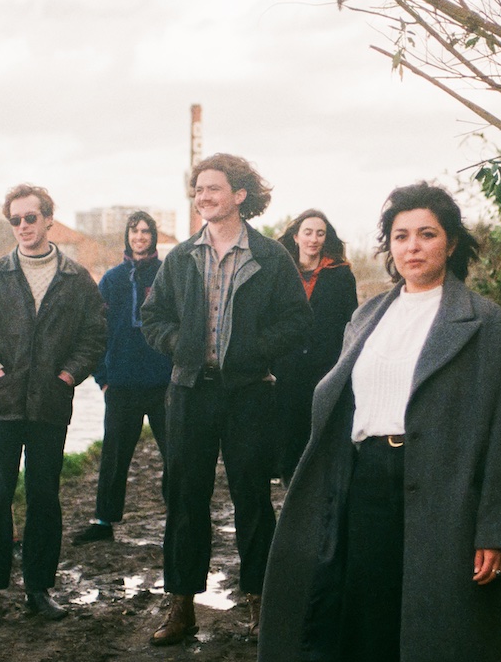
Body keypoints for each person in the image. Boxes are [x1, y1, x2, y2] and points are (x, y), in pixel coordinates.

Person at [258, 181, 501, 662]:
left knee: (434, 623)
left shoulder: (484, 323)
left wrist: (499, 529)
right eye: (401, 235)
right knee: (365, 617)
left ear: (450, 241)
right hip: (365, 484)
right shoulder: (366, 316)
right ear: (388, 246)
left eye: (426, 234)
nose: (413, 246)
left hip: (445, 494)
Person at [141, 153, 312, 645]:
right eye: (198, 189)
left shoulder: (270, 256)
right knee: (184, 500)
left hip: (249, 394)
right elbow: (153, 319)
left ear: (240, 195)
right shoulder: (180, 257)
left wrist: (255, 350)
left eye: (213, 188)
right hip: (189, 394)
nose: (203, 196)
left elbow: (298, 322)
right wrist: (180, 345)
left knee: (253, 500)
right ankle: (181, 608)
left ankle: (260, 605)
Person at [0, 184, 106, 626]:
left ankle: (39, 590)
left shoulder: (77, 279)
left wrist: (68, 375)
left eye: (30, 218)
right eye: (15, 220)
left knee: (44, 498)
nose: (23, 227)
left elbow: (94, 337)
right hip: (0, 407)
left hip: (49, 409)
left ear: (48, 219)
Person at [71, 211, 172, 546]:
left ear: (153, 236)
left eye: (146, 231)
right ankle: (103, 521)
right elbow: (94, 330)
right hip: (121, 384)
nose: (140, 237)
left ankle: (179, 512)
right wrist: (102, 376)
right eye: (134, 231)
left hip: (163, 384)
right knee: (114, 456)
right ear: (127, 236)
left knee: (176, 453)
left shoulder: (167, 275)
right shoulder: (112, 280)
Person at [273, 209, 358, 483]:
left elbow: (350, 321)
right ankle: (289, 483)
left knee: (321, 428)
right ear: (296, 237)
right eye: (308, 232)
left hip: (326, 365)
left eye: (320, 233)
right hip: (286, 365)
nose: (314, 239)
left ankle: (319, 485)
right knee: (288, 428)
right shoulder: (281, 273)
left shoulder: (341, 274)